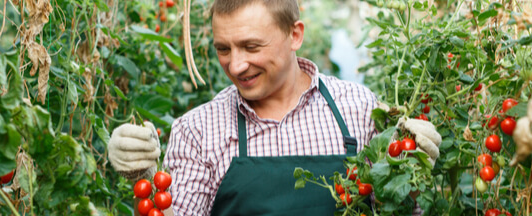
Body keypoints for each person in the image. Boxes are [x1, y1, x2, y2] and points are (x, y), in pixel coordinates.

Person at [108, 0, 441, 215]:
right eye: (223, 49)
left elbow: (398, 208)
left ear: (294, 35)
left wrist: (411, 170)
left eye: (251, 46)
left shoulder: (359, 110)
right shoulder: (198, 130)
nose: (236, 66)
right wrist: (146, 178)